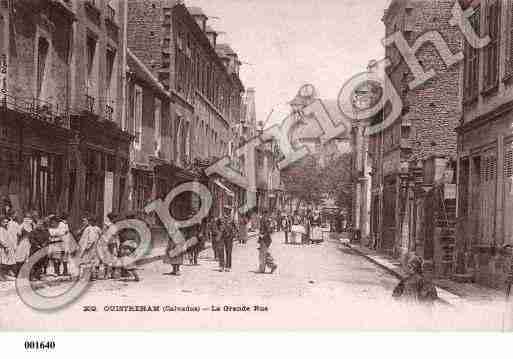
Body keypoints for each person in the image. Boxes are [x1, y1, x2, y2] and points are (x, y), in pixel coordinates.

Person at [78, 216, 102, 281]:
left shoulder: (98, 229)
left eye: (94, 221)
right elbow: (84, 238)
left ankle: (96, 274)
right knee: (88, 261)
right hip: (89, 247)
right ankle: (89, 275)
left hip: (96, 246)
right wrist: (85, 246)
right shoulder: (88, 229)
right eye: (91, 221)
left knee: (97, 260)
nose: (92, 222)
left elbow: (101, 236)